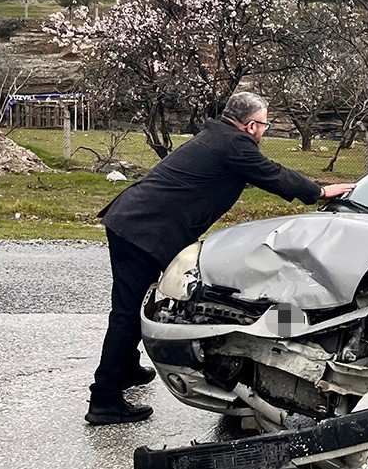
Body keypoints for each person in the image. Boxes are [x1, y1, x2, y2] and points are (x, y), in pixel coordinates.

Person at [86, 91, 353, 425]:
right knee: (127, 314)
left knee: (138, 302)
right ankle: (104, 399)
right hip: (144, 229)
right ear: (252, 125)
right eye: (265, 124)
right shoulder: (234, 145)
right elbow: (272, 173)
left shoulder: (219, 135)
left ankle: (124, 369)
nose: (265, 130)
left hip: (138, 222)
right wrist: (319, 192)